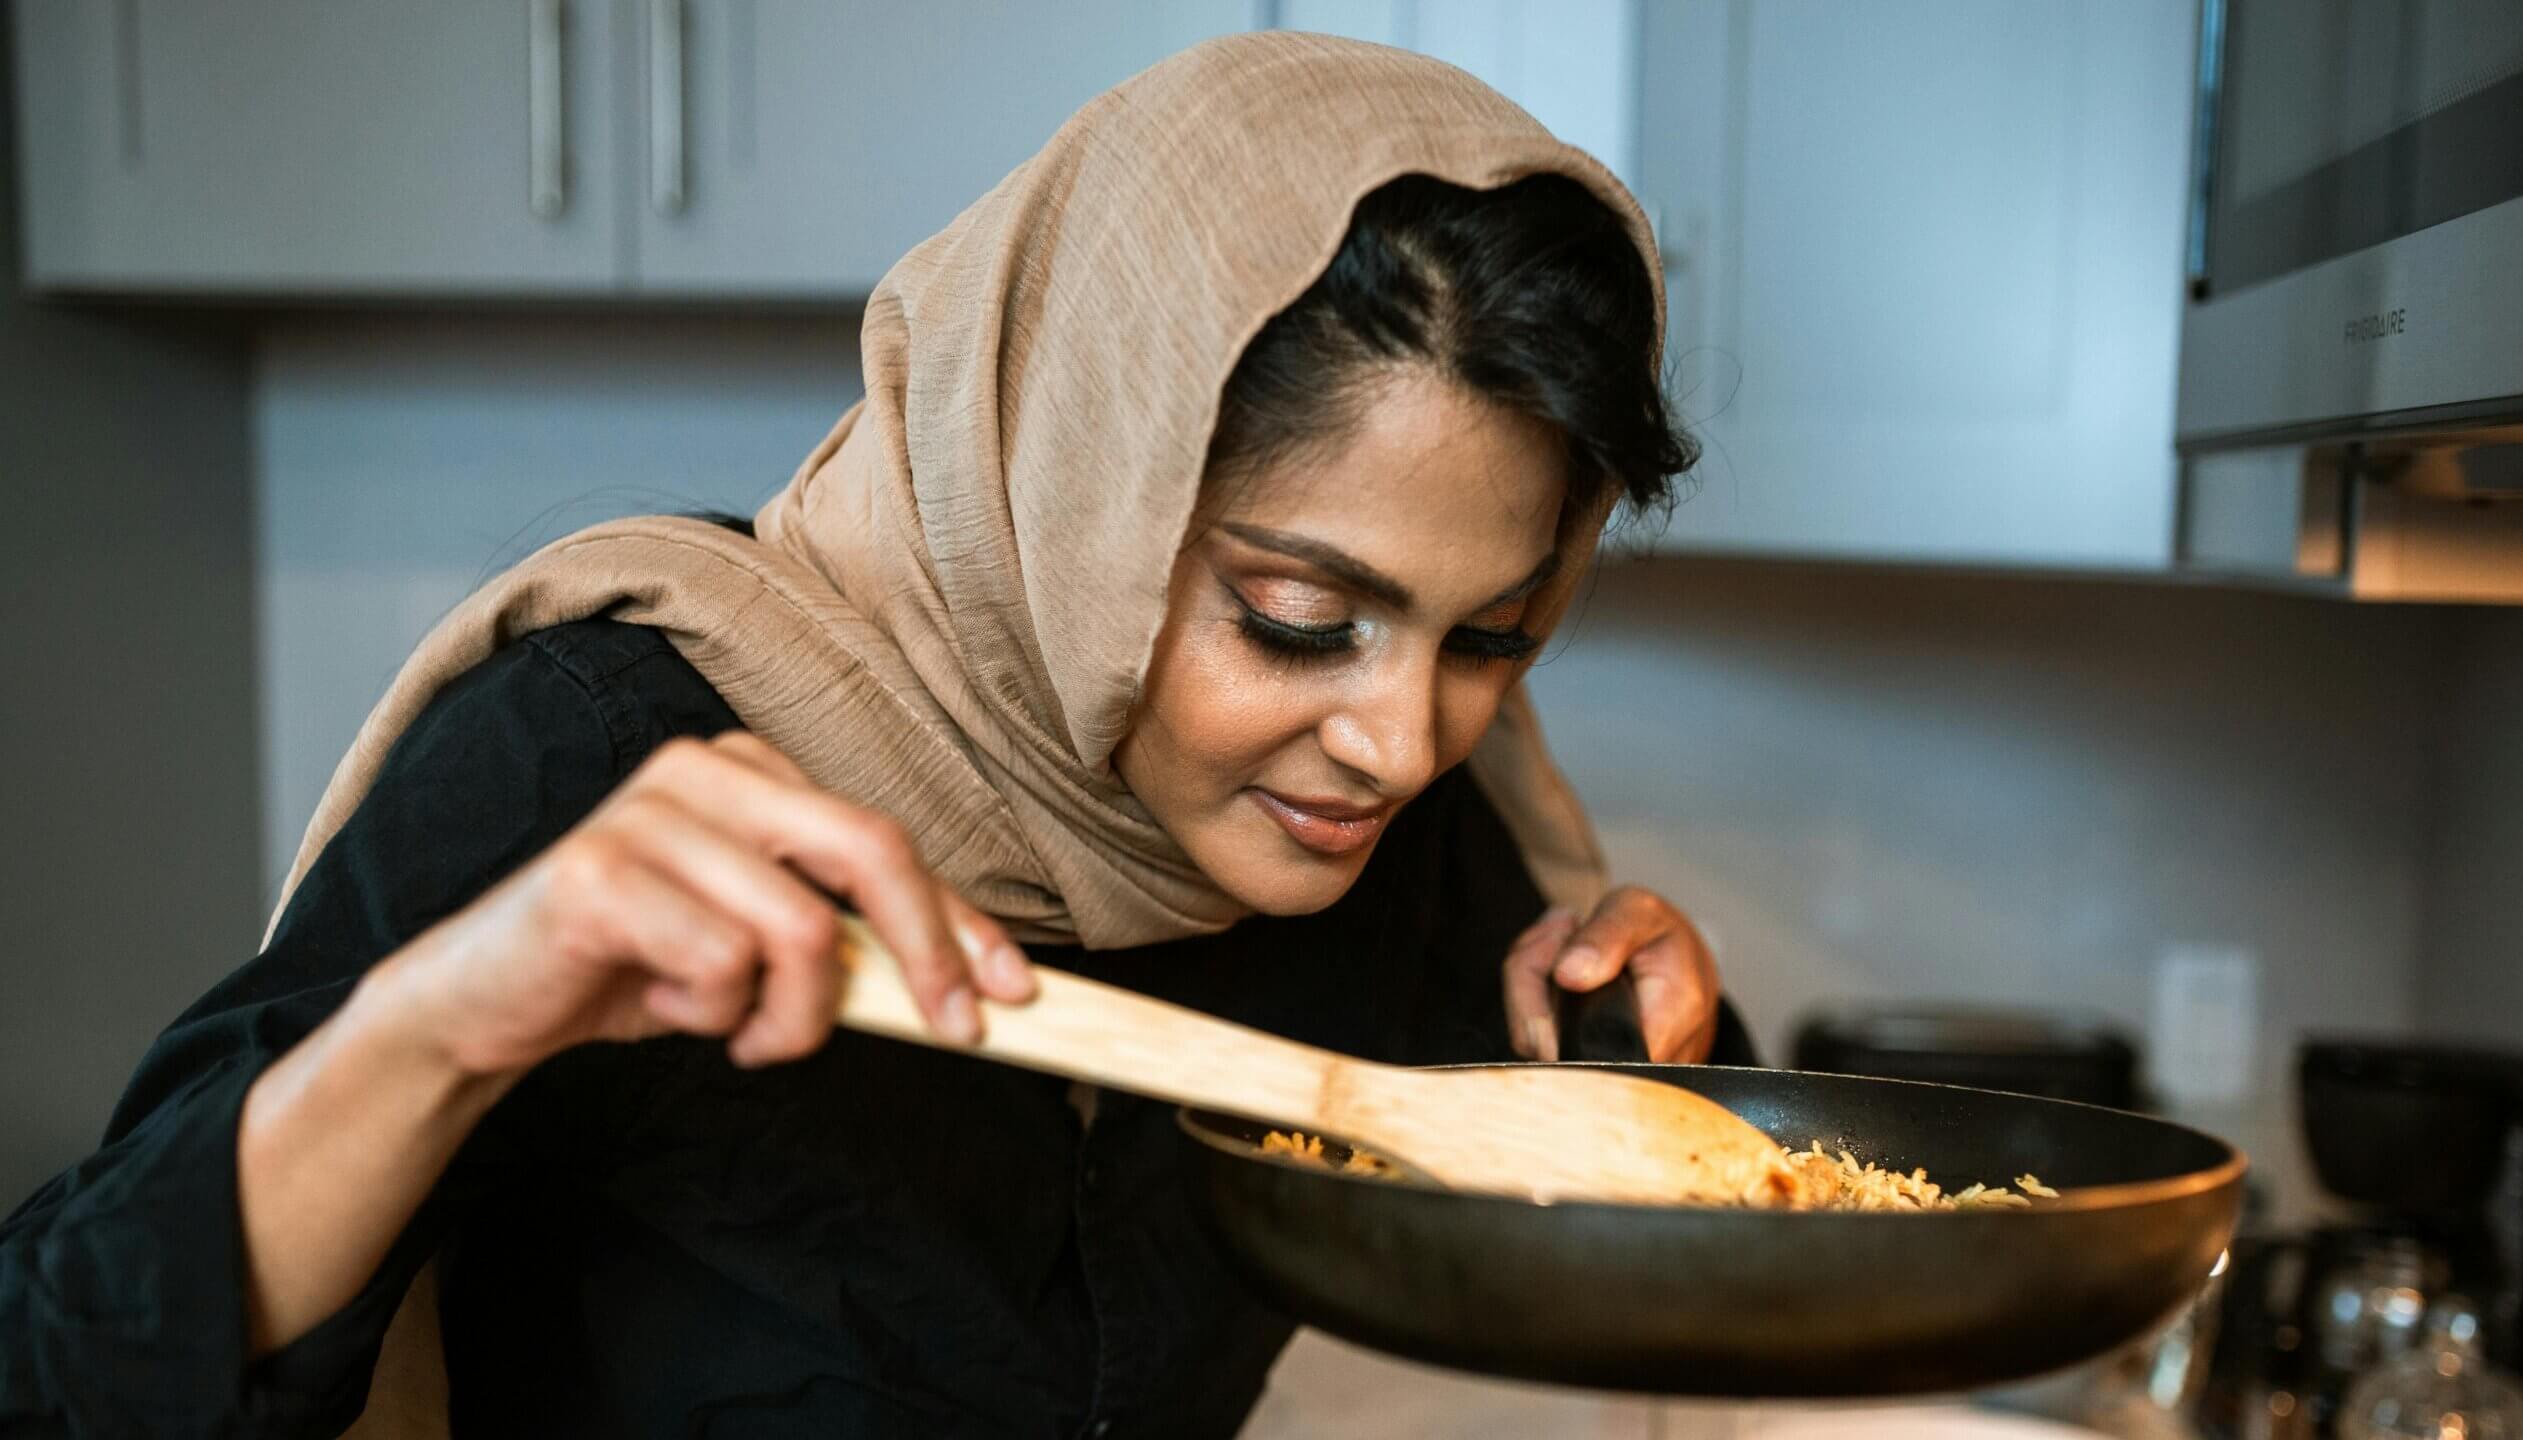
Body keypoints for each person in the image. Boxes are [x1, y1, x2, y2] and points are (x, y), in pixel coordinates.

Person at [0, 31, 1750, 1439]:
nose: (1396, 741)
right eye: (1298, 624)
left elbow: (1649, 1192)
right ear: (1078, 502)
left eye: (1496, 639)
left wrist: (1646, 1019)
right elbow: (55, 1370)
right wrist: (437, 1029)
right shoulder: (614, 761)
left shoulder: (1378, 839)